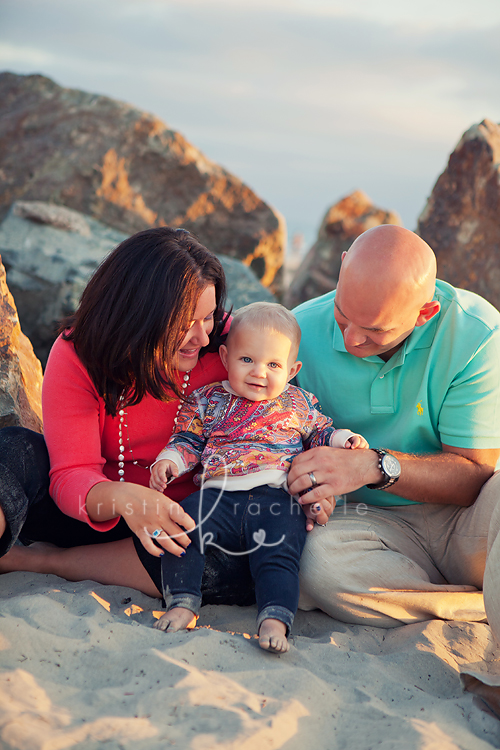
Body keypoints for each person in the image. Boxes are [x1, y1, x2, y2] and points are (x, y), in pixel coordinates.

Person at [0, 226, 253, 604]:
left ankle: (47, 562)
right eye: (187, 322)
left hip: (181, 529)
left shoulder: (234, 349)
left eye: (209, 317)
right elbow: (70, 473)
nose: (202, 337)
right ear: (141, 313)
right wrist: (128, 499)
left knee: (234, 557)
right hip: (92, 509)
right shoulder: (80, 354)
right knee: (14, 449)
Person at [287, 224, 500, 641]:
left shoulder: (477, 333)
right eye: (343, 315)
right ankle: (476, 605)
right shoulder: (297, 332)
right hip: (369, 524)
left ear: (424, 314)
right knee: (315, 566)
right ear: (343, 264)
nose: (351, 339)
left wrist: (372, 465)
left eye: (375, 330)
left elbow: (474, 478)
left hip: (465, 520)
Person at [149, 302, 368, 652]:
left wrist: (346, 440)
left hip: (276, 497)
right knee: (182, 530)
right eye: (247, 360)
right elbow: (187, 438)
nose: (259, 373)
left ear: (292, 369)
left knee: (280, 555)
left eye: (273, 365)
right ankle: (182, 603)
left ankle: (274, 619)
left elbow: (320, 433)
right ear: (225, 356)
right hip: (217, 495)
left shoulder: (298, 403)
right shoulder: (207, 399)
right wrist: (170, 461)